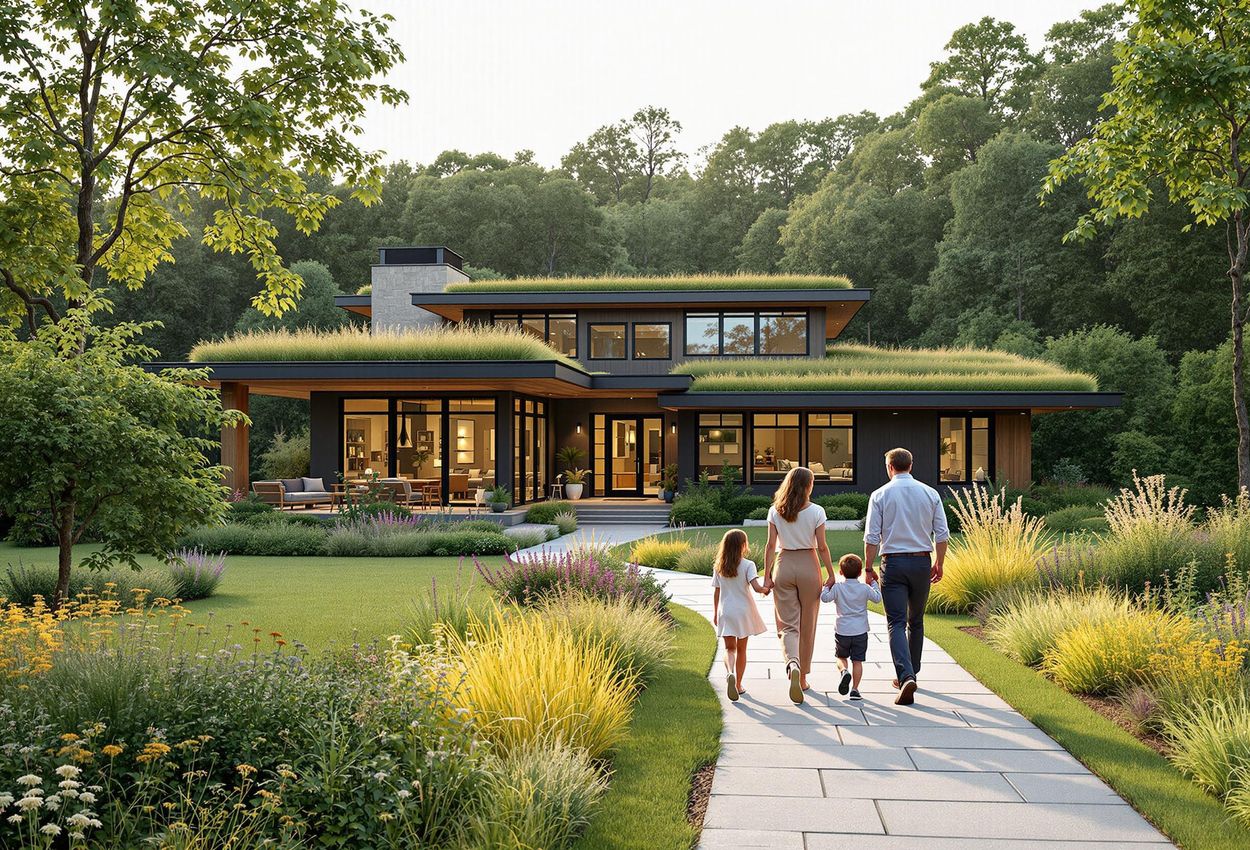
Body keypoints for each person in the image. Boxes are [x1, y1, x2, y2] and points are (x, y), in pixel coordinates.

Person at [863, 447, 949, 706]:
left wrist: (868, 567)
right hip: (922, 562)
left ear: (890, 468)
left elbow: (871, 537)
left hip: (894, 563)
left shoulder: (880, 495)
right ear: (911, 465)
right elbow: (942, 534)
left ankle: (905, 675)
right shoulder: (930, 493)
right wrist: (940, 563)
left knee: (896, 622)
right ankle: (911, 674)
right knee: (917, 621)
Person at [763, 466, 836, 704]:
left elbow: (770, 545)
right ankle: (803, 677)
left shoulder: (775, 511)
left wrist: (766, 576)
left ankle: (791, 663)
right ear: (807, 486)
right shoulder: (817, 511)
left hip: (784, 564)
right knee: (808, 624)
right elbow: (823, 546)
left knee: (787, 625)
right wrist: (831, 573)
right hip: (808, 564)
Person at [711, 528, 768, 702]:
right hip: (743, 612)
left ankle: (730, 673)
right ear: (743, 545)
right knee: (742, 650)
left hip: (725, 611)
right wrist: (767, 589)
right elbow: (757, 588)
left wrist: (715, 613)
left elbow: (716, 592)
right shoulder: (748, 565)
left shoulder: (719, 566)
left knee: (729, 649)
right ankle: (738, 685)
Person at [821, 553, 881, 702]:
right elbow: (877, 598)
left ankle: (844, 671)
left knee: (841, 657)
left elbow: (825, 598)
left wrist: (826, 587)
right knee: (857, 661)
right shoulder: (864, 589)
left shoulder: (838, 588)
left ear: (841, 572)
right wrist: (873, 582)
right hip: (860, 631)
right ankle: (855, 689)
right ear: (860, 572)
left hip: (842, 630)